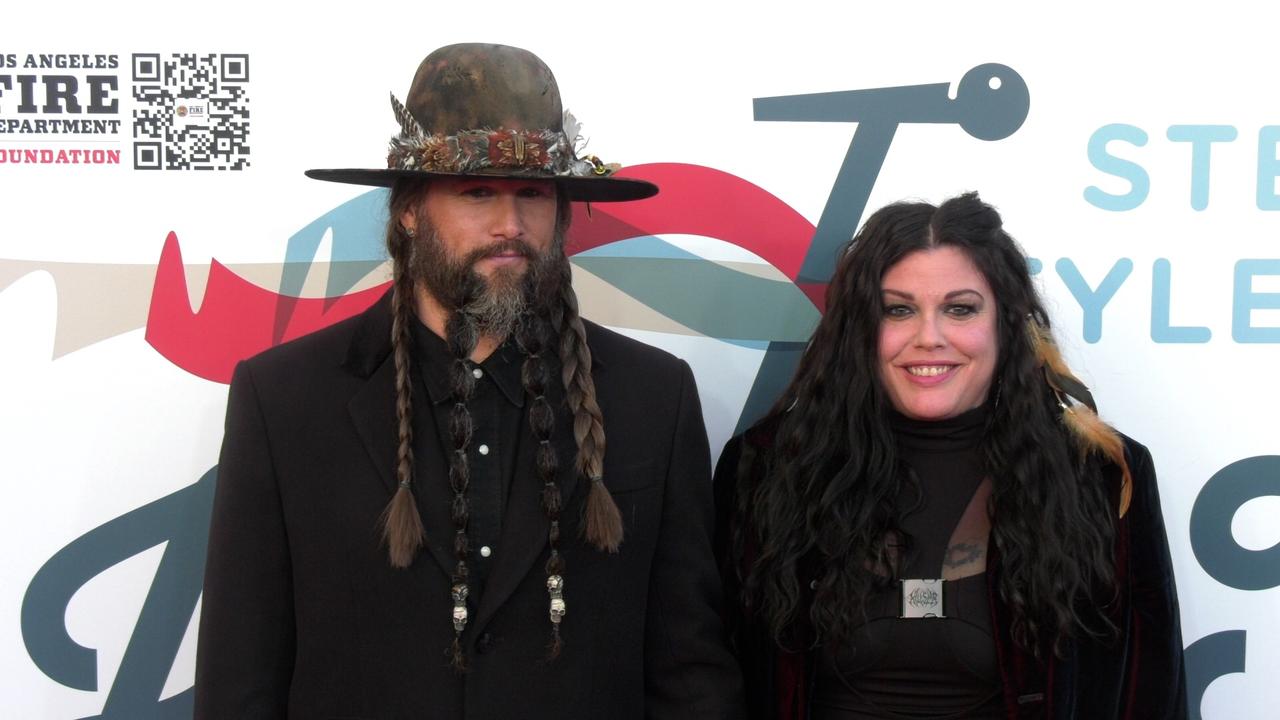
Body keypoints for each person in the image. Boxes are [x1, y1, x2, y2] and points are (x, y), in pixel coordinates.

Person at [195, 43, 742, 719]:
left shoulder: (653, 398)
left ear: (563, 212)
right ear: (409, 210)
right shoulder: (283, 401)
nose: (509, 225)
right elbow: (240, 679)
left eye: (533, 194)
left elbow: (688, 673)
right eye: (477, 191)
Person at [715, 193, 1186, 719]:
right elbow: (709, 676)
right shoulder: (767, 469)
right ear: (859, 329)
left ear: (1007, 324)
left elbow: (1152, 690)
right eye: (898, 309)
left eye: (960, 309)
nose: (929, 338)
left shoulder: (1099, 475)